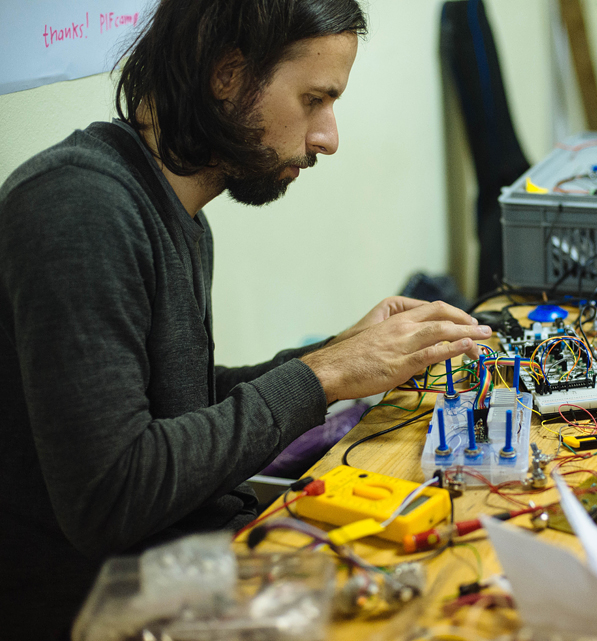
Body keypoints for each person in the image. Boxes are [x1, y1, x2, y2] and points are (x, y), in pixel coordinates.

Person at [0, 1, 490, 637]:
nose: (327, 138)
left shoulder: (176, 211)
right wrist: (323, 374)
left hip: (191, 563)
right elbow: (113, 496)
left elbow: (176, 415)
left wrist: (348, 354)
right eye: (315, 99)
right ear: (228, 75)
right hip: (103, 610)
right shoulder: (78, 209)